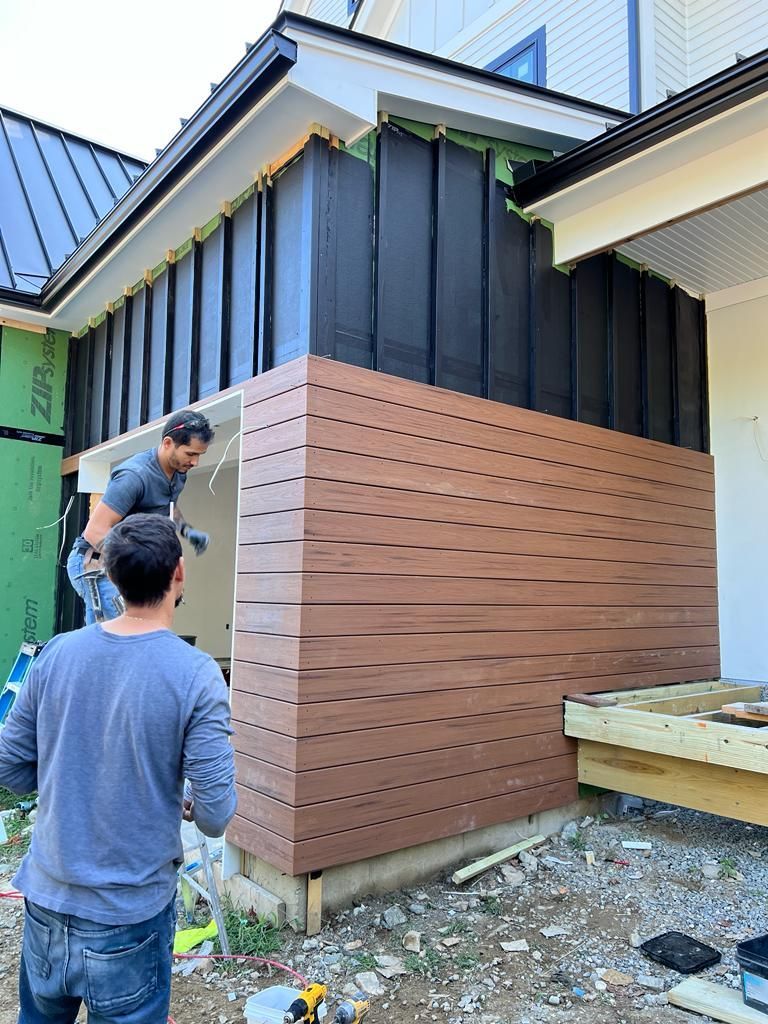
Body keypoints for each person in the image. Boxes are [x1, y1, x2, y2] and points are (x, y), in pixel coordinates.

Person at [0, 513, 237, 1024]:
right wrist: (190, 806)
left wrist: (72, 771)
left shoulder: (58, 652)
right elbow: (216, 813)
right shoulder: (197, 674)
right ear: (179, 573)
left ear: (109, 577)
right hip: (129, 921)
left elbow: (9, 766)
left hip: (46, 903)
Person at [67, 409, 215, 624]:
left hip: (120, 561)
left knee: (103, 642)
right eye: (190, 454)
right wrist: (134, 567)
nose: (195, 462)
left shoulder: (178, 473)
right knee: (135, 629)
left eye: (199, 455)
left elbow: (168, 507)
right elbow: (94, 531)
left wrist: (187, 531)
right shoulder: (134, 476)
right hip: (95, 562)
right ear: (167, 443)